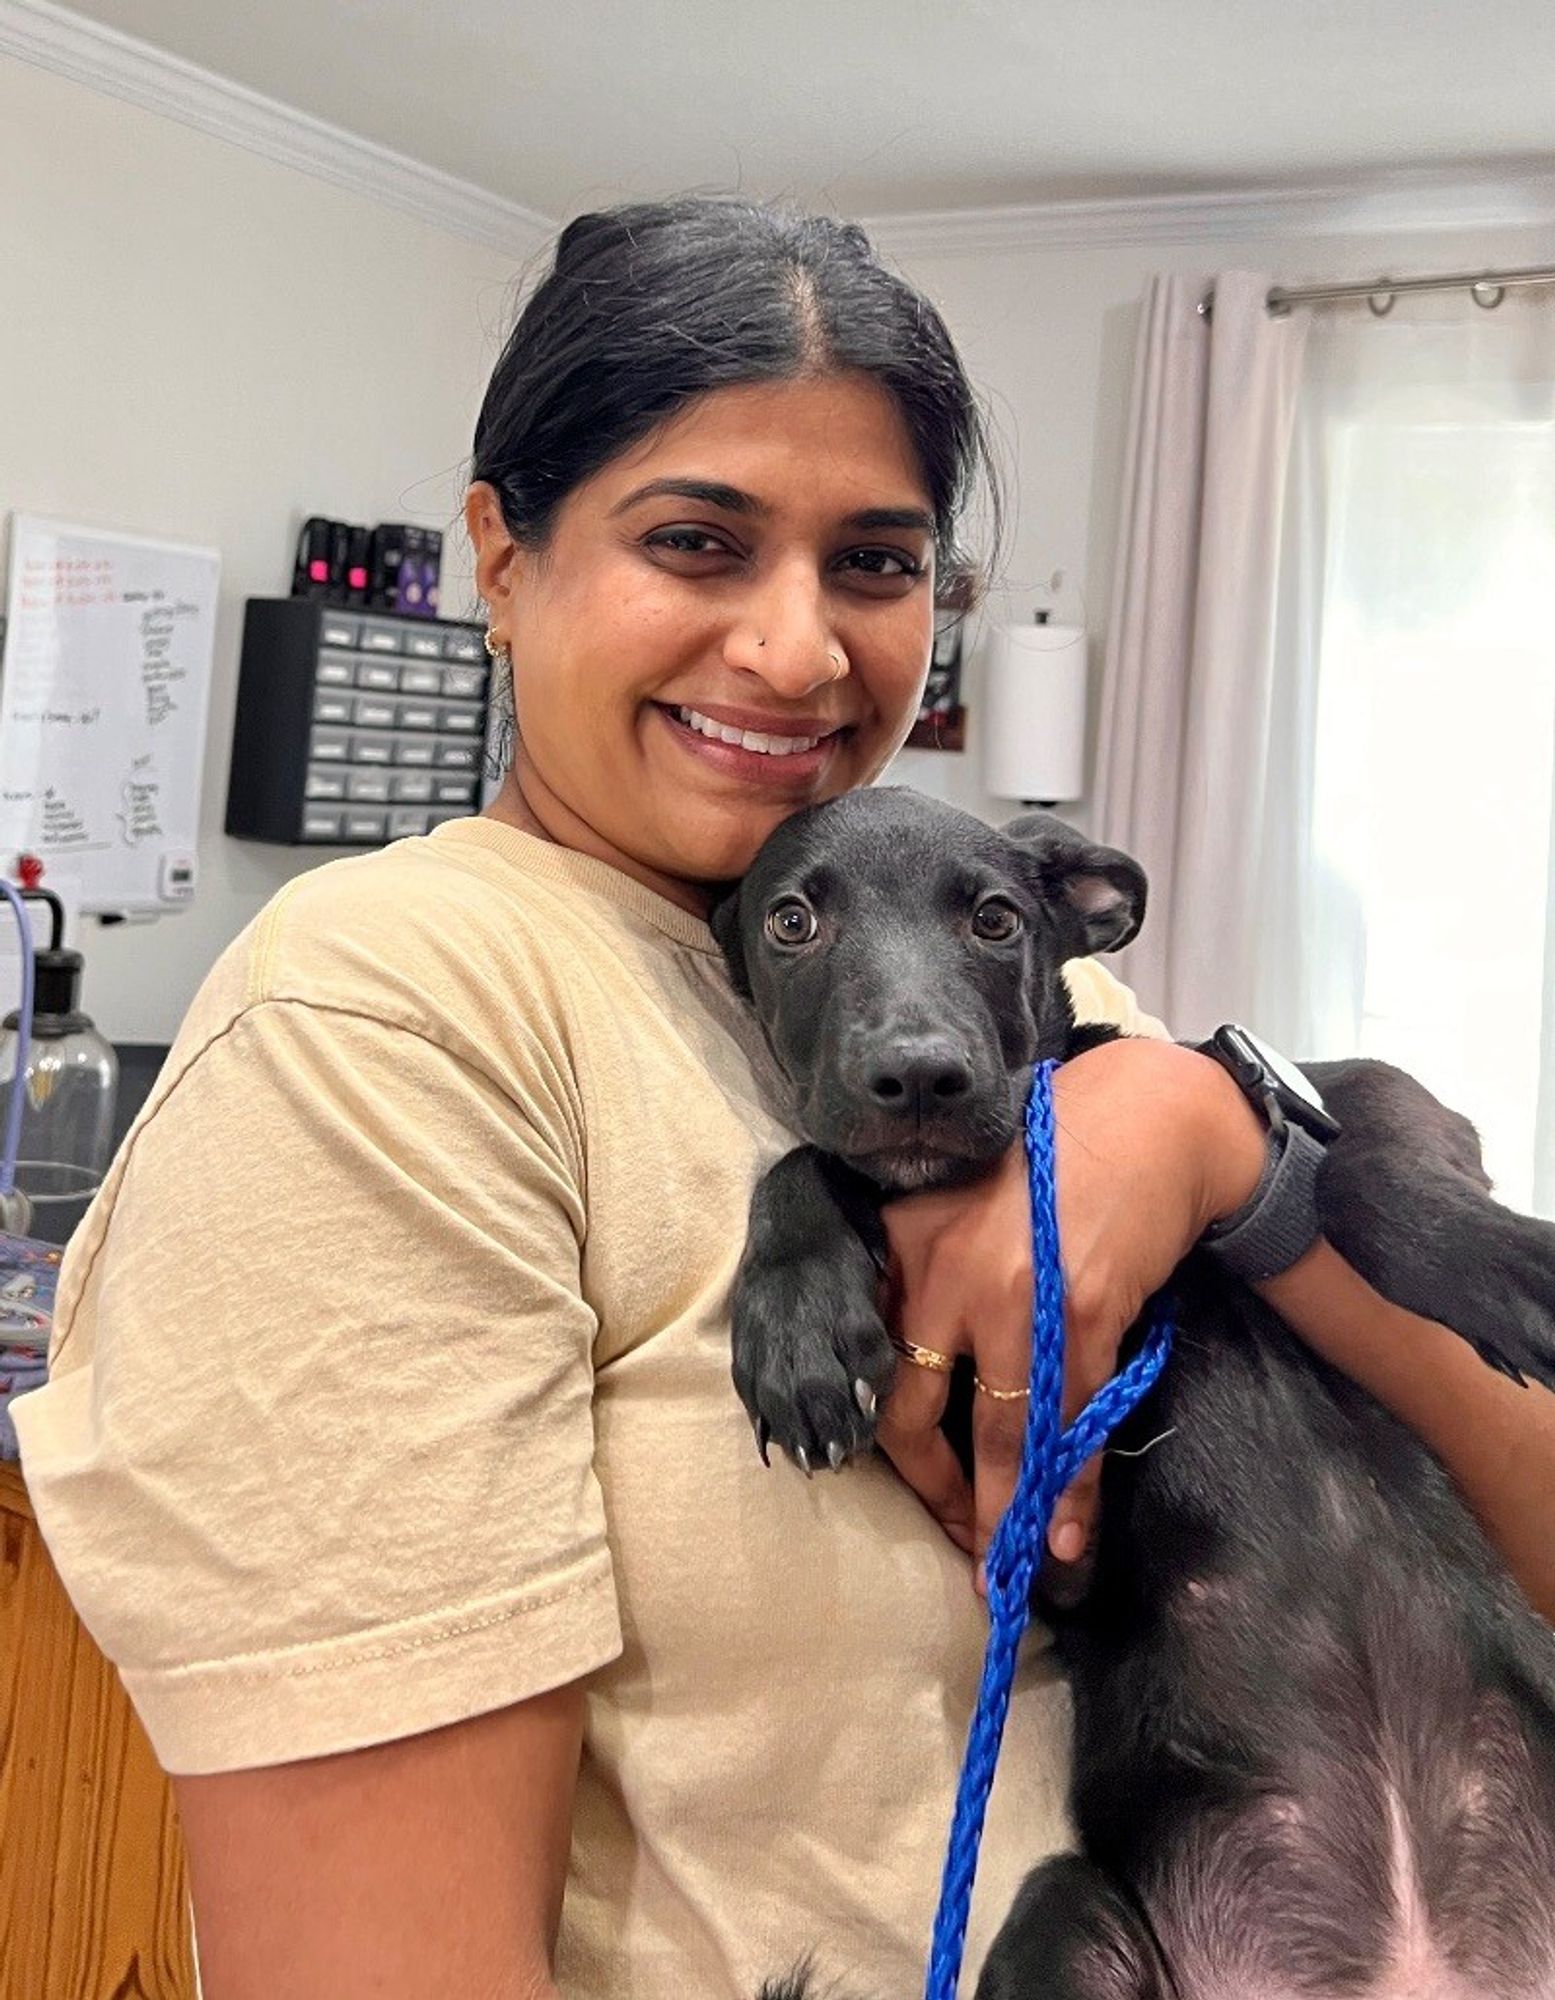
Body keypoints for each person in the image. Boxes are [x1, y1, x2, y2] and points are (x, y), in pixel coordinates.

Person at [15, 197, 1555, 2000]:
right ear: (501, 559)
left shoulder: (1042, 1002)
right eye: (695, 540)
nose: (798, 650)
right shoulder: (390, 1019)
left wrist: (1232, 1143)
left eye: (879, 566)